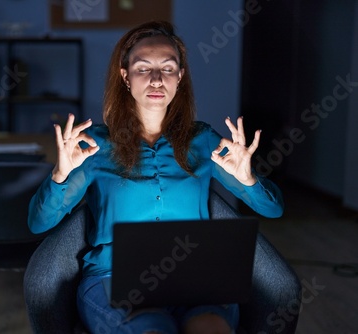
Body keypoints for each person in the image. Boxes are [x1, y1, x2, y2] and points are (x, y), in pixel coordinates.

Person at [28, 21, 283, 334]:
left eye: (168, 67)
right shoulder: (94, 145)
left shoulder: (203, 141)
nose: (156, 79)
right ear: (125, 77)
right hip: (113, 279)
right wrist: (60, 174)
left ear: (180, 76)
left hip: (196, 280)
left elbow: (273, 209)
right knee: (153, 328)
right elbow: (39, 223)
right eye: (143, 67)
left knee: (212, 329)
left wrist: (248, 180)